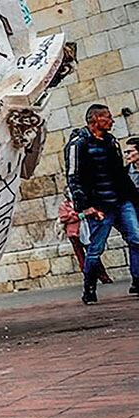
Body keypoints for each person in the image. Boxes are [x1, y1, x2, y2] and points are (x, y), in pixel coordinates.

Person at [65, 104, 139, 304]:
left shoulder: (111, 141)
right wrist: (86, 207)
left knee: (136, 238)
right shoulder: (78, 144)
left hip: (121, 201)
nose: (112, 121)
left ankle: (137, 280)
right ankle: (89, 289)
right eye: (107, 117)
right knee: (96, 248)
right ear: (95, 119)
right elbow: (73, 177)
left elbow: (120, 174)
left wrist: (133, 198)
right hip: (99, 205)